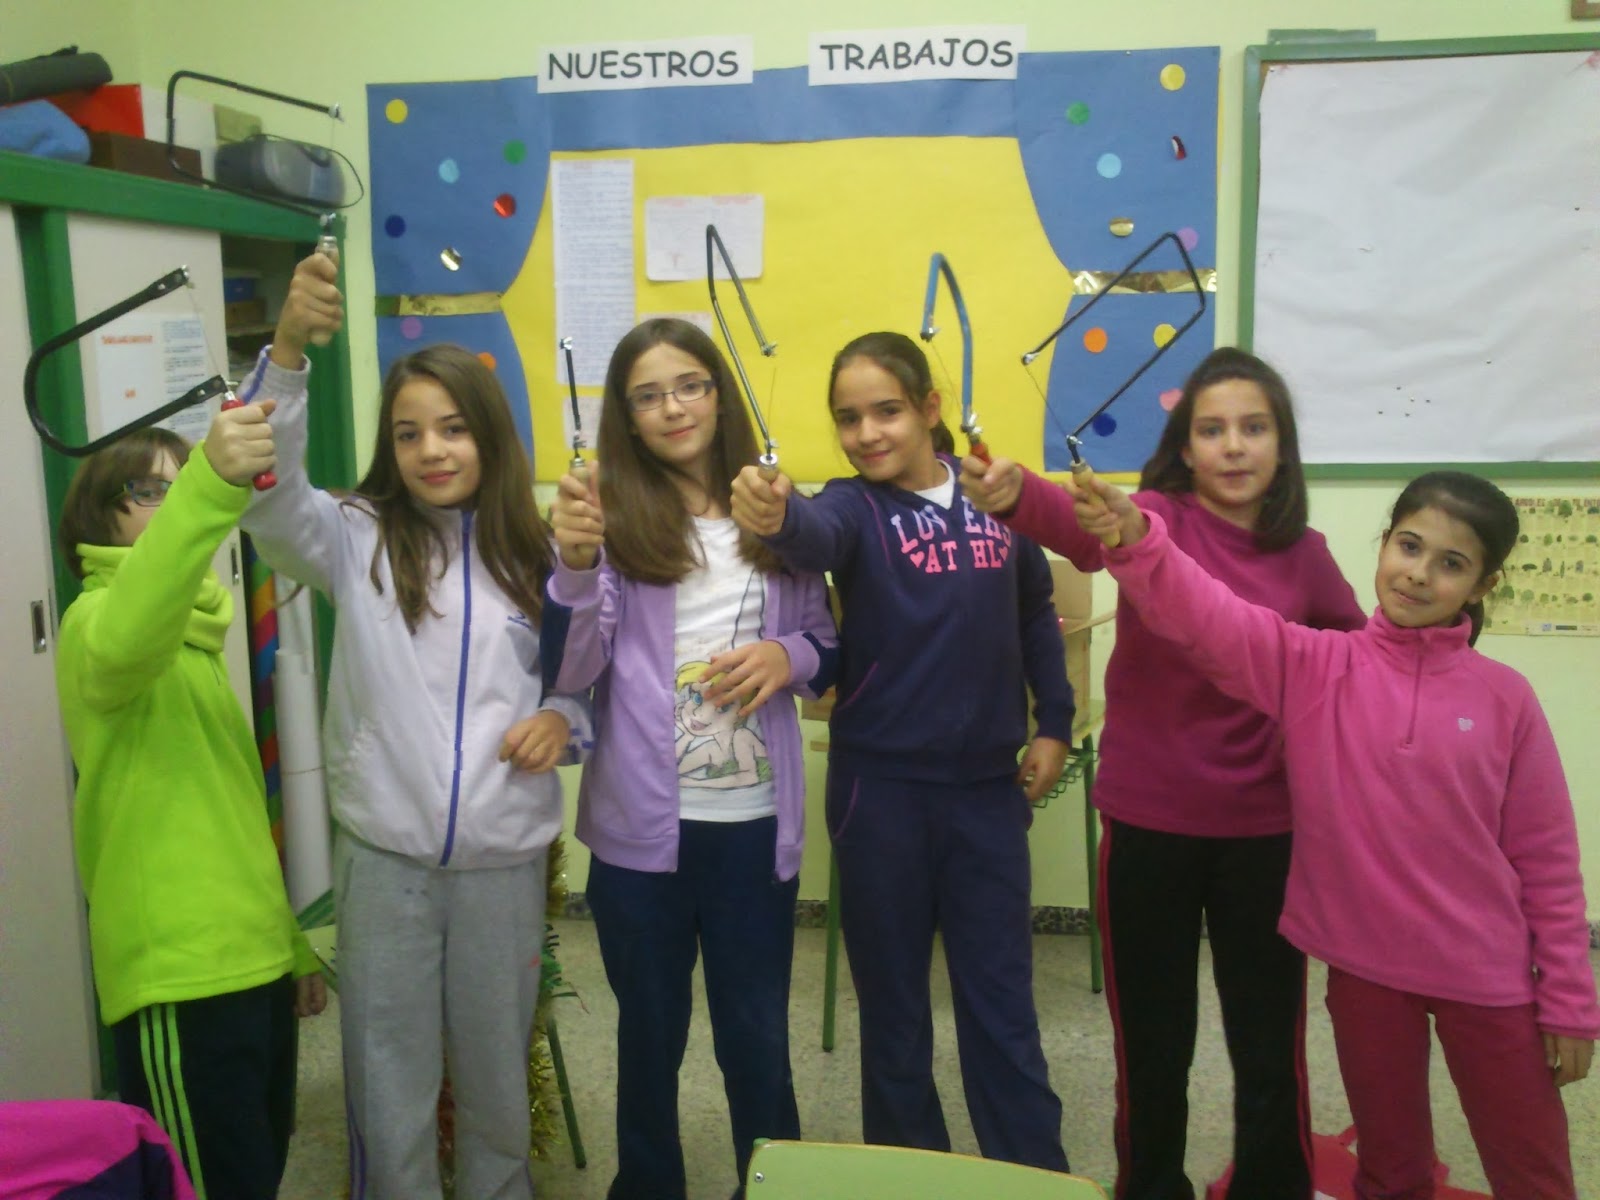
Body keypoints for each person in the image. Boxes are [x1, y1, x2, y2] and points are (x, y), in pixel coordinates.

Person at [1068, 466, 1598, 1200]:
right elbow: (1211, 616)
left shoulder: (1506, 698)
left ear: (1483, 584)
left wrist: (1569, 1001)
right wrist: (1137, 539)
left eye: (1451, 563)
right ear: (1384, 544)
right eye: (1409, 546)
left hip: (1490, 977)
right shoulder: (1317, 668)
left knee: (1534, 1174)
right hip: (1366, 974)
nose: (1419, 573)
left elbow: (1548, 859)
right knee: (1391, 1172)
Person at [961, 347, 1366, 1200]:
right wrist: (1015, 489)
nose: (1234, 446)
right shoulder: (1151, 518)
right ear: (1184, 447)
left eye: (1254, 428)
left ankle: (1272, 1184)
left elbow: (1352, 657)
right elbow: (1078, 523)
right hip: (1149, 826)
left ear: (1283, 446)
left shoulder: (1307, 555)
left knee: (1269, 1042)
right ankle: (1150, 1184)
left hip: (1265, 832)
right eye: (1211, 430)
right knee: (1152, 1042)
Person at [240, 254, 592, 1200]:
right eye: (408, 434)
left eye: (452, 429)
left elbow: (587, 676)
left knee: (494, 1074)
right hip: (385, 858)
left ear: (489, 437)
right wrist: (287, 351)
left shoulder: (540, 553)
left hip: (502, 861)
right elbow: (266, 493)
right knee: (388, 1071)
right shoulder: (351, 534)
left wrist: (562, 716)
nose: (432, 450)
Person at [730, 331, 1073, 1172]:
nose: (867, 433)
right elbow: (812, 534)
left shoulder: (994, 495)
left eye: (886, 411)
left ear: (928, 409)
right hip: (878, 795)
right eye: (847, 418)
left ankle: (1031, 1174)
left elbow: (1035, 610)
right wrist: (778, 514)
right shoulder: (852, 506)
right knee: (893, 1015)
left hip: (987, 795)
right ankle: (912, 1173)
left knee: (1002, 1006)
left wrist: (1054, 722)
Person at [542, 317, 837, 1200]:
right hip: (641, 841)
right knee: (649, 1037)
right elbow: (573, 670)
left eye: (690, 385)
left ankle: (774, 1184)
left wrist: (788, 656)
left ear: (719, 393)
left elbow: (825, 642)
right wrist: (574, 565)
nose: (672, 407)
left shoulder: (774, 510)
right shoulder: (611, 521)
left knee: (757, 1036)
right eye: (648, 396)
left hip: (754, 833)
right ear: (626, 419)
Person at [55, 402, 327, 1200]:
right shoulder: (95, 626)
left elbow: (229, 811)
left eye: (182, 488)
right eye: (151, 492)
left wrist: (289, 946)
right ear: (101, 514)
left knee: (253, 1176)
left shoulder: (198, 635)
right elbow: (132, 625)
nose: (172, 504)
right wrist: (209, 481)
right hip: (178, 976)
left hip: (250, 960)